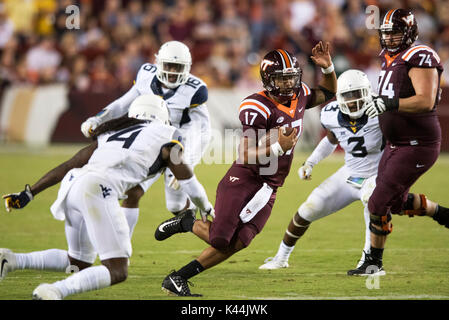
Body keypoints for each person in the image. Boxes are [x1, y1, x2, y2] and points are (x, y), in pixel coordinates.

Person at [154, 43, 338, 296]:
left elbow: (328, 93)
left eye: (291, 78)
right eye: (281, 80)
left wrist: (328, 67)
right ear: (267, 80)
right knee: (220, 239)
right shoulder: (256, 107)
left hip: (271, 185)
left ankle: (177, 278)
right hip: (244, 179)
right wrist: (276, 149)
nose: (288, 85)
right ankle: (188, 223)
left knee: (242, 240)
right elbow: (245, 155)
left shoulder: (300, 95)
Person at [1, 95, 214, 300]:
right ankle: (54, 291)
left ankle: (11, 260)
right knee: (117, 270)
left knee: (78, 261)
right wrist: (204, 207)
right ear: (162, 116)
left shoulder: (111, 134)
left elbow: (68, 165)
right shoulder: (167, 133)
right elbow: (188, 180)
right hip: (97, 189)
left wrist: (30, 192)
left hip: (73, 185)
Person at [348, 9, 449, 276]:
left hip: (418, 142)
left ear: (410, 33)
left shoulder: (420, 55)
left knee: (377, 202)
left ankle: (374, 263)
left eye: (396, 33)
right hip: (396, 143)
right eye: (387, 33)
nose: (390, 38)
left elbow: (425, 101)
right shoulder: (388, 58)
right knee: (394, 202)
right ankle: (443, 214)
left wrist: (388, 103)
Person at [80, 40, 211, 239]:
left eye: (178, 67)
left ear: (187, 68)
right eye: (169, 65)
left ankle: (211, 231)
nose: (173, 71)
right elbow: (123, 103)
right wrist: (98, 118)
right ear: (158, 63)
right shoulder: (146, 75)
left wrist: (187, 160)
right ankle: (122, 249)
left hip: (175, 144)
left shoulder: (195, 90)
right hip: (147, 142)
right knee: (132, 192)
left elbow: (200, 132)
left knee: (175, 206)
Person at [259, 69, 382, 271]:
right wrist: (310, 162)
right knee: (309, 208)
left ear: (368, 92)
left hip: (377, 174)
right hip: (349, 173)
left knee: (372, 201)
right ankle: (281, 258)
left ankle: (370, 262)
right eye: (348, 96)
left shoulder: (381, 112)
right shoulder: (331, 114)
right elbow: (331, 139)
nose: (353, 101)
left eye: (358, 94)